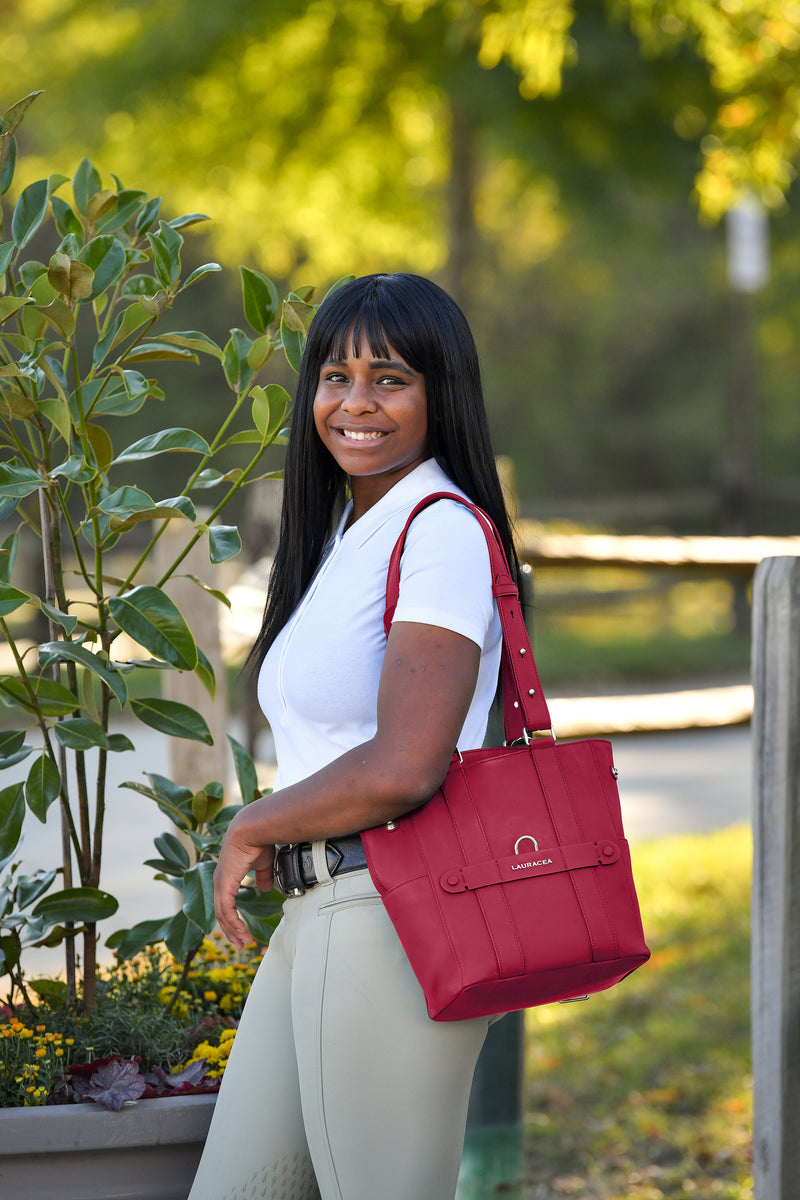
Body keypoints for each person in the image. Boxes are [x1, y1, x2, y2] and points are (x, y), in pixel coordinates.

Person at [187, 272, 522, 1200]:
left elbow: (407, 764)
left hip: (391, 915)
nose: (356, 404)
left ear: (439, 391)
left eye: (390, 378)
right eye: (336, 376)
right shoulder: (345, 529)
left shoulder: (441, 529)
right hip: (318, 913)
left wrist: (254, 822)